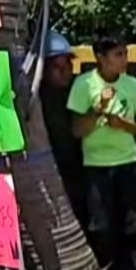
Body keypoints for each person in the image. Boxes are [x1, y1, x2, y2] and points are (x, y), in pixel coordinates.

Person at [67, 36, 136, 270]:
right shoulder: (84, 85)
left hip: (127, 162)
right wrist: (99, 110)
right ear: (101, 58)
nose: (124, 59)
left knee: (133, 224)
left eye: (125, 53)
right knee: (101, 225)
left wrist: (124, 125)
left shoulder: (133, 85)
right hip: (95, 165)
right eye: (117, 54)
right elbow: (76, 130)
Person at [38, 31, 86, 232]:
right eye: (58, 67)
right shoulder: (35, 98)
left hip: (80, 171)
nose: (66, 71)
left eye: (69, 65)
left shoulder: (79, 89)